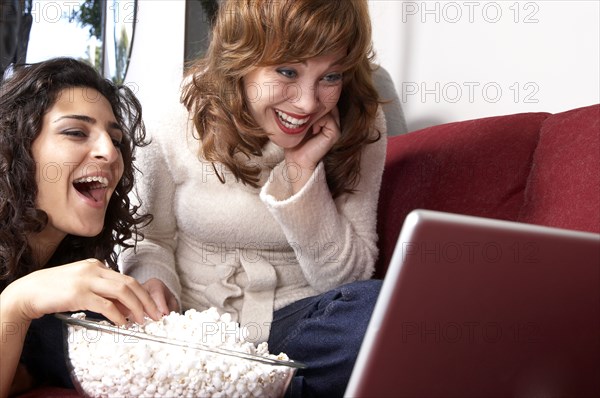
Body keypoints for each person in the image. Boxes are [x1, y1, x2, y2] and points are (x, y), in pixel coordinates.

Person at [121, 0, 387, 396]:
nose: (308, 103)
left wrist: (300, 175)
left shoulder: (359, 122)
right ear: (240, 60)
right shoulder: (173, 115)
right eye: (287, 71)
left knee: (379, 311)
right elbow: (149, 238)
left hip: (296, 327)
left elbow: (347, 278)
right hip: (193, 328)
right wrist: (155, 284)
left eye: (330, 76)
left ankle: (225, 387)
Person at [0, 57, 162, 398]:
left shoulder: (75, 272)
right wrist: (16, 303)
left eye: (116, 139)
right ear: (14, 148)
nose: (109, 152)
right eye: (75, 132)